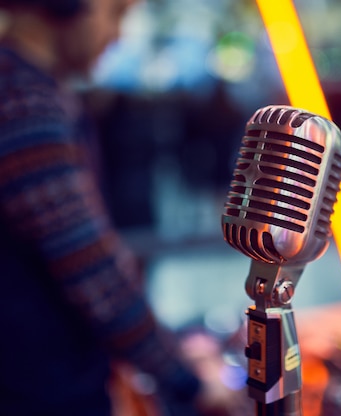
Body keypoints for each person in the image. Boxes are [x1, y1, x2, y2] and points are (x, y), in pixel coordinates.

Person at [0, 0, 232, 414]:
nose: (119, 34)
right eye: (116, 13)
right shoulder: (21, 101)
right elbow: (91, 269)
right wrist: (186, 380)